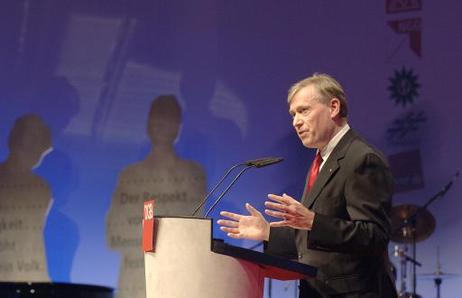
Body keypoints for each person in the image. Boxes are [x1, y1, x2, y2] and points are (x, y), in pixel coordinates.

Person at [217, 73, 397, 297]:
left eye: (303, 110)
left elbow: (374, 236)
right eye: (293, 114)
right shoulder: (321, 161)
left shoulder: (362, 159)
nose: (296, 122)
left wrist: (313, 221)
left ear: (333, 107)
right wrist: (267, 233)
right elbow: (316, 240)